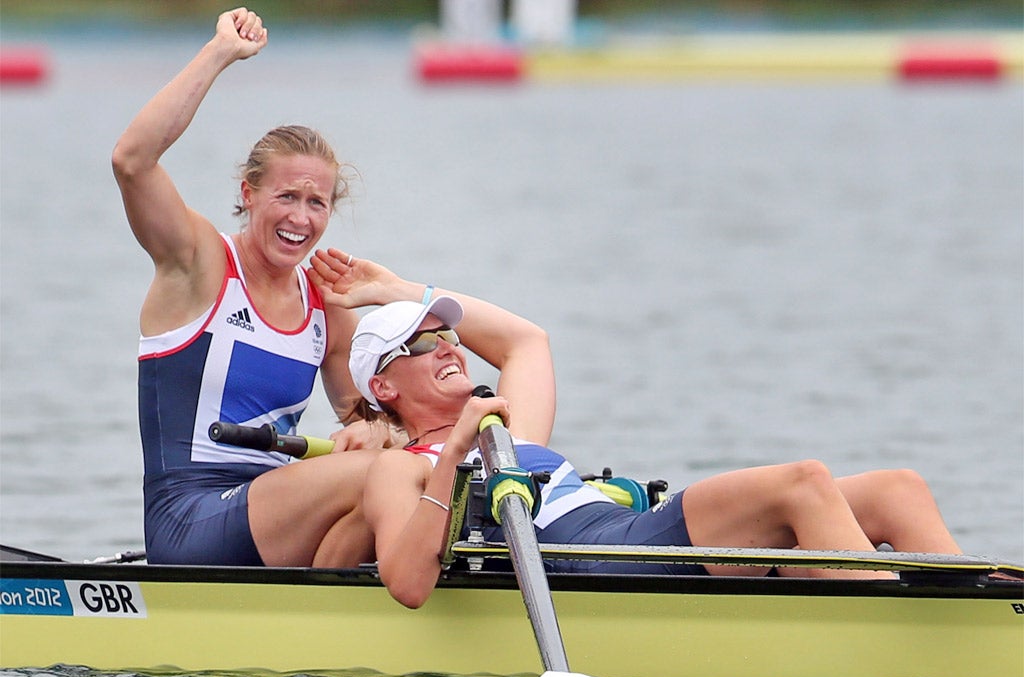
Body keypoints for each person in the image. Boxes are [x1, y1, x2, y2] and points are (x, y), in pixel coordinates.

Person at [307, 250, 964, 608]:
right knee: (803, 482)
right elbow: (406, 580)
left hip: (625, 532)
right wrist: (457, 444)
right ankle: (896, 635)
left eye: (449, 335)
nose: (450, 347)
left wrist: (402, 291)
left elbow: (526, 341)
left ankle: (985, 616)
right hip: (595, 564)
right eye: (424, 343)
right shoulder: (405, 465)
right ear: (383, 386)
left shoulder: (514, 429)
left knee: (897, 488)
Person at [112, 8, 388, 567]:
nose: (300, 218)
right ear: (250, 193)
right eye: (286, 197)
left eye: (316, 203)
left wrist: (378, 432)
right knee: (382, 477)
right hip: (188, 518)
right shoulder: (198, 263)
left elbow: (368, 419)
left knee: (406, 465)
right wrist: (219, 53)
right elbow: (132, 161)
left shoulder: (325, 306)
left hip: (272, 516)